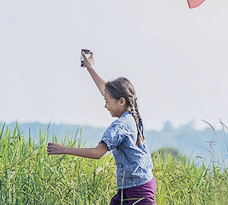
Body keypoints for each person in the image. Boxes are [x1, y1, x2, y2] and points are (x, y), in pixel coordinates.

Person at [46, 49, 158, 205]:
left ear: (121, 101)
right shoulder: (132, 114)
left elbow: (98, 153)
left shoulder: (120, 126)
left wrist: (63, 149)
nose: (105, 106)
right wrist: (90, 69)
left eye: (107, 102)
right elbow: (107, 90)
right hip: (136, 184)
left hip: (137, 189)